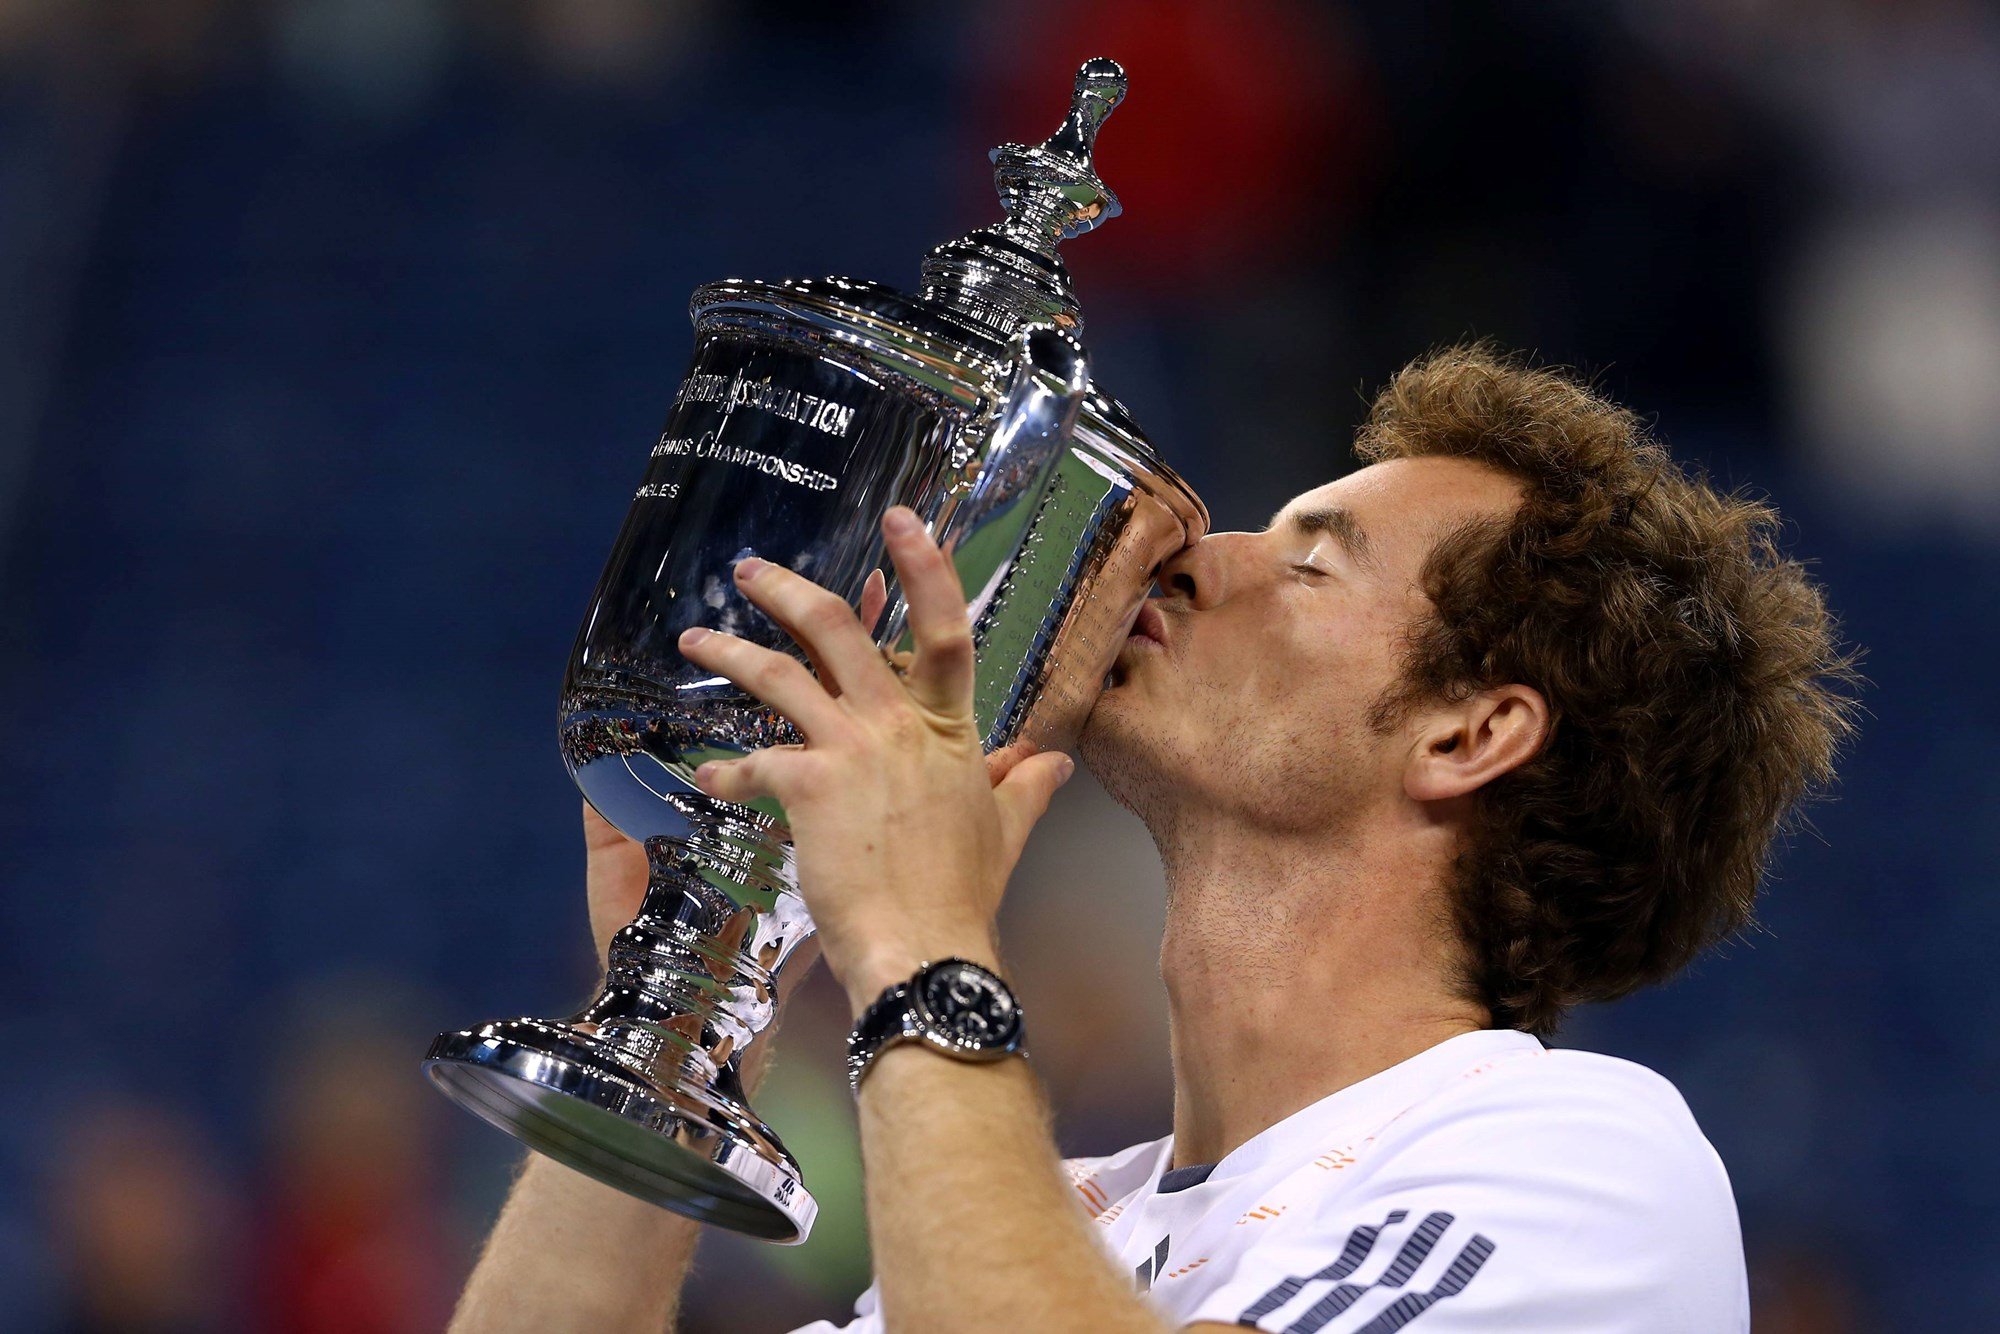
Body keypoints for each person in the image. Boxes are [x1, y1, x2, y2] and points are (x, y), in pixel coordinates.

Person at [448, 345, 1856, 1332]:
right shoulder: (1063, 1217)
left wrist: (920, 938)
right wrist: (694, 997)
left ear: (1468, 733)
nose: (1193, 547)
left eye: (1307, 562)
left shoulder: (1579, 1162)